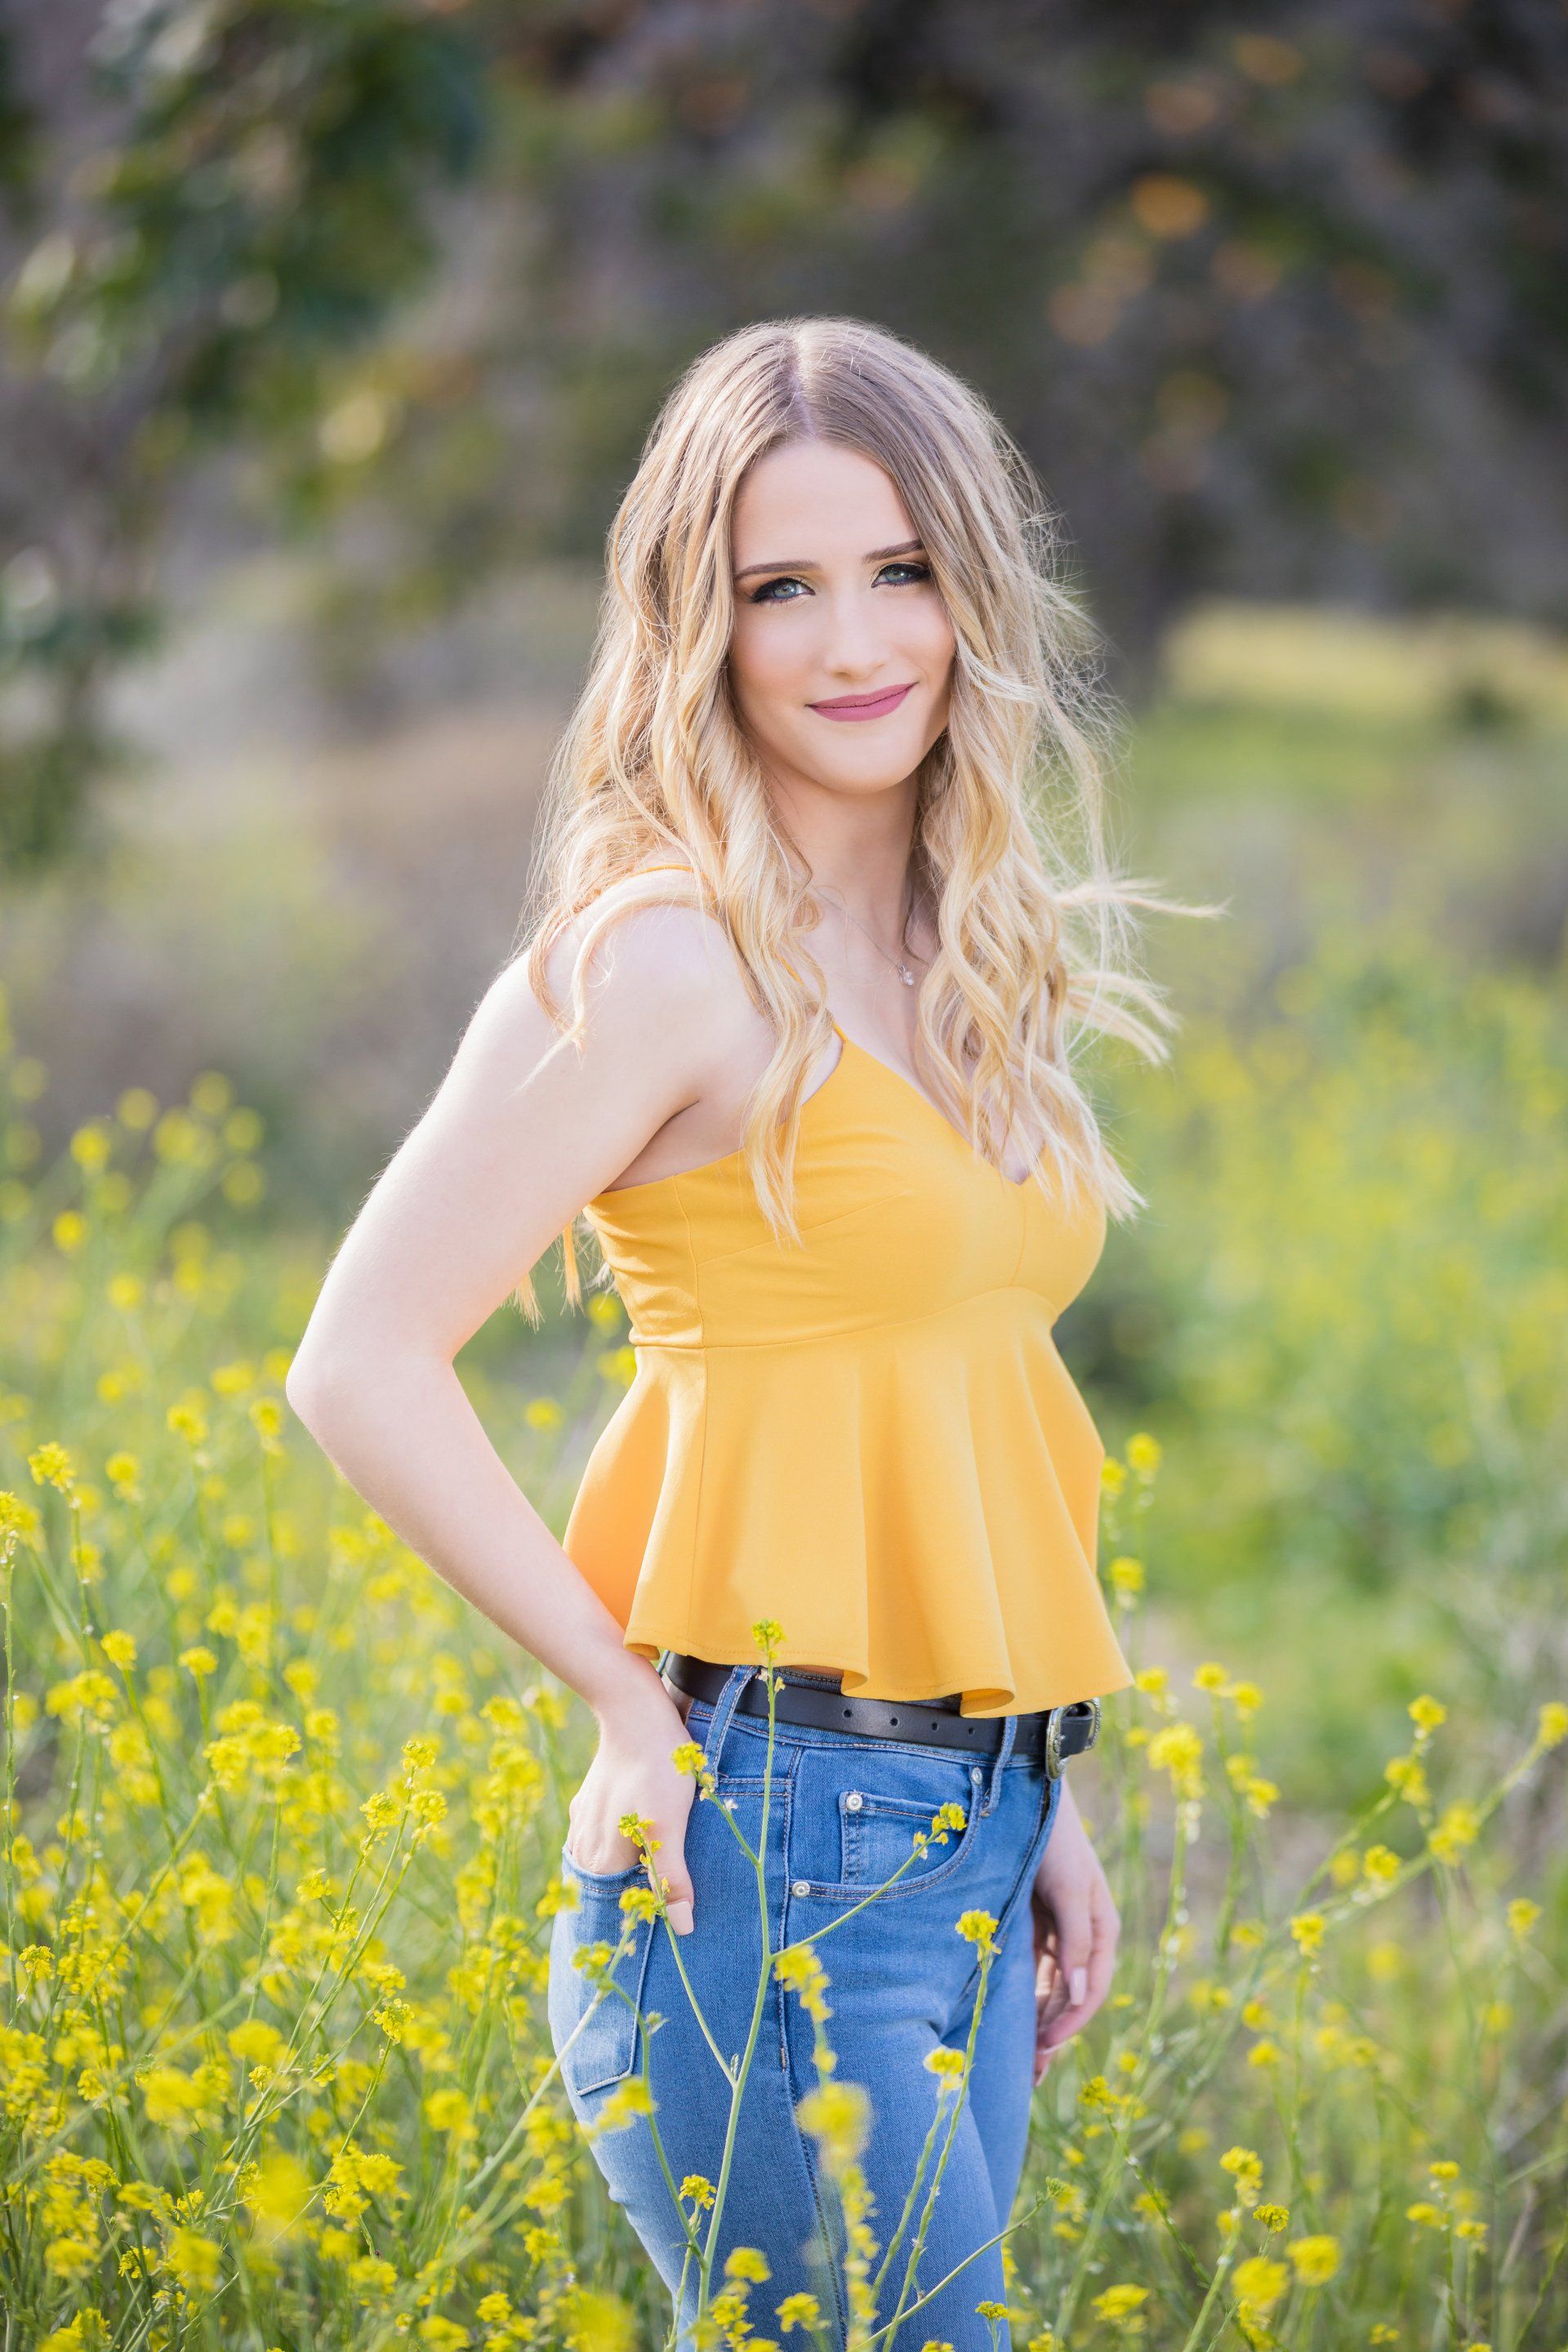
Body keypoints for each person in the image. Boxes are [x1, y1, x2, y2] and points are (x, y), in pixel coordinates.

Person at [285, 316, 1199, 2350]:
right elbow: (357, 1359)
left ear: (974, 587)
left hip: (967, 1823)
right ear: (700, 625)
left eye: (898, 570)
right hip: (763, 1849)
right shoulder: (665, 955)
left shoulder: (965, 953)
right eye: (780, 587)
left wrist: (1042, 1790)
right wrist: (626, 1709)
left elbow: (958, 1401)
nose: (852, 639)